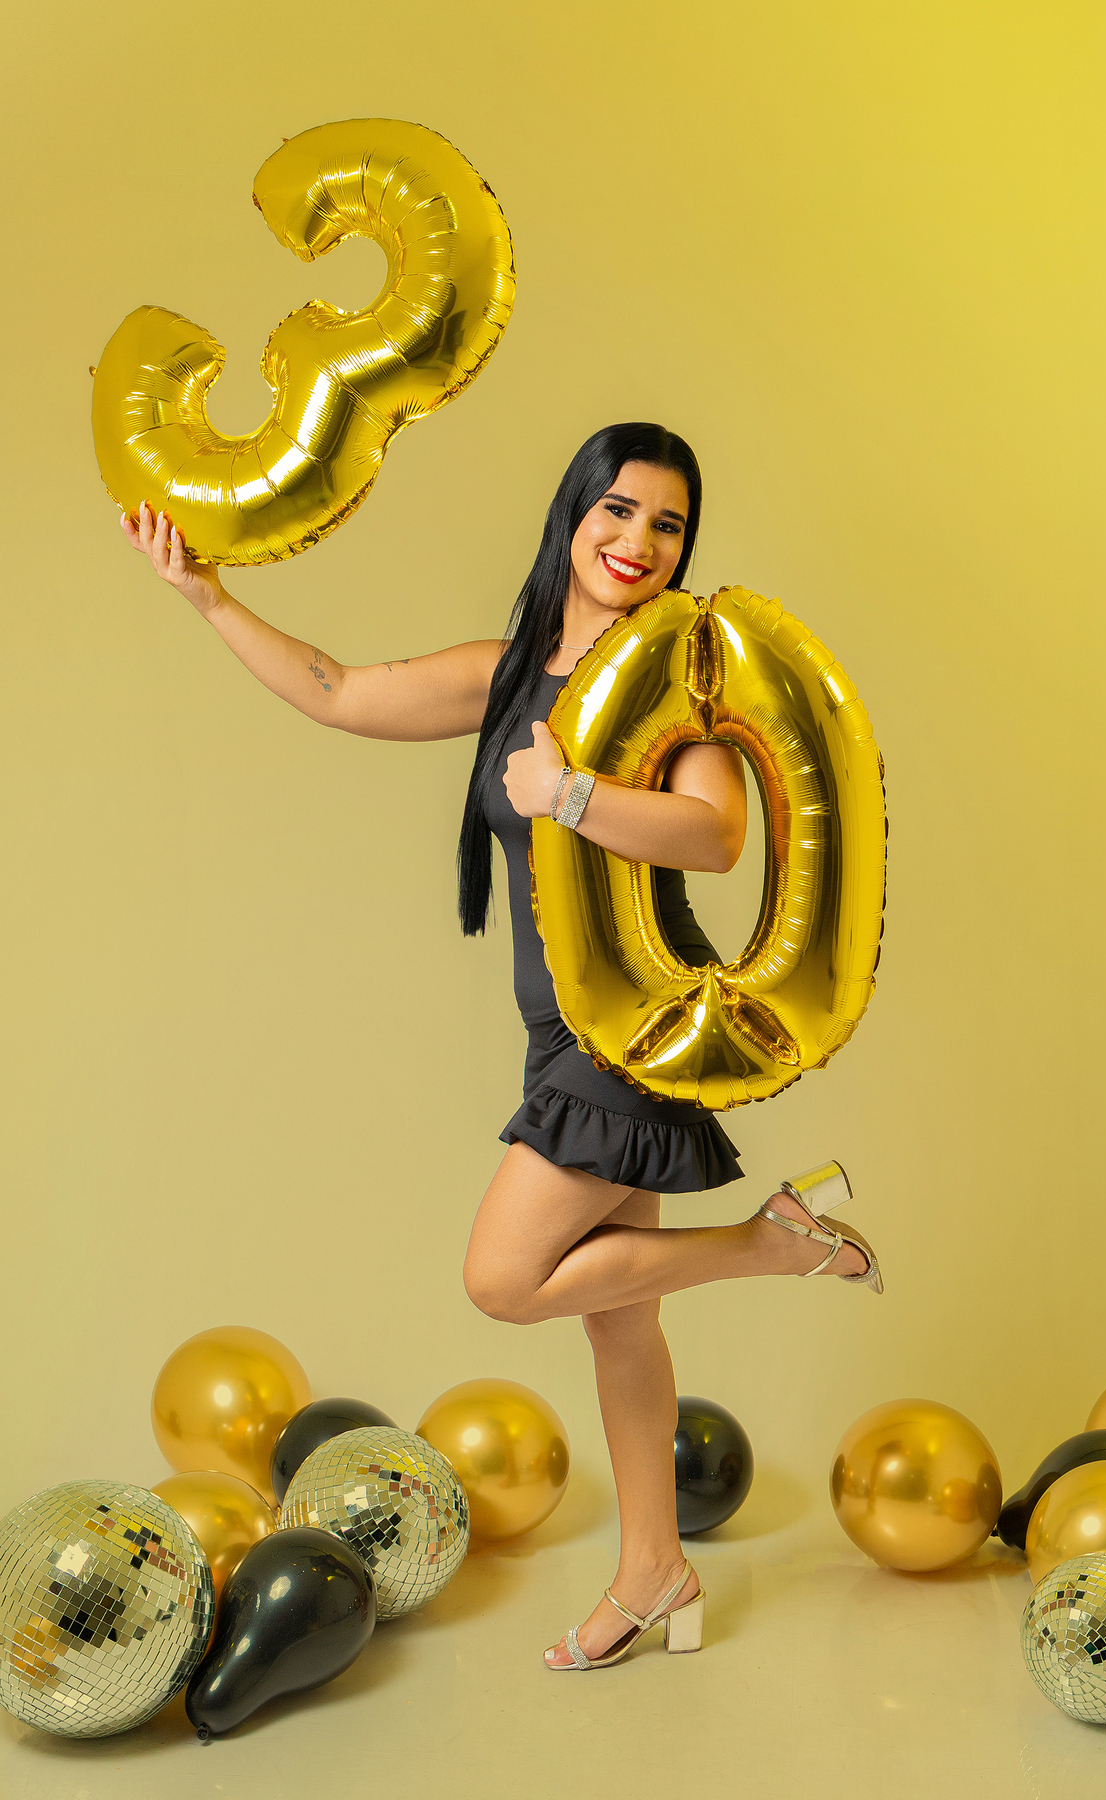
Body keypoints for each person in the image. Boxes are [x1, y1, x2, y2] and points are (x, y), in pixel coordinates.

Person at [121, 420, 881, 1672]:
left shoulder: (676, 683)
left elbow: (714, 834)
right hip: (558, 1032)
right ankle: (656, 1571)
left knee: (505, 1279)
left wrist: (571, 795)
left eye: (669, 523)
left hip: (635, 1022)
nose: (639, 540)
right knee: (620, 1322)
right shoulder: (510, 674)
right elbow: (338, 690)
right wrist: (207, 596)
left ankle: (772, 1243)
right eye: (619, 509)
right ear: (574, 514)